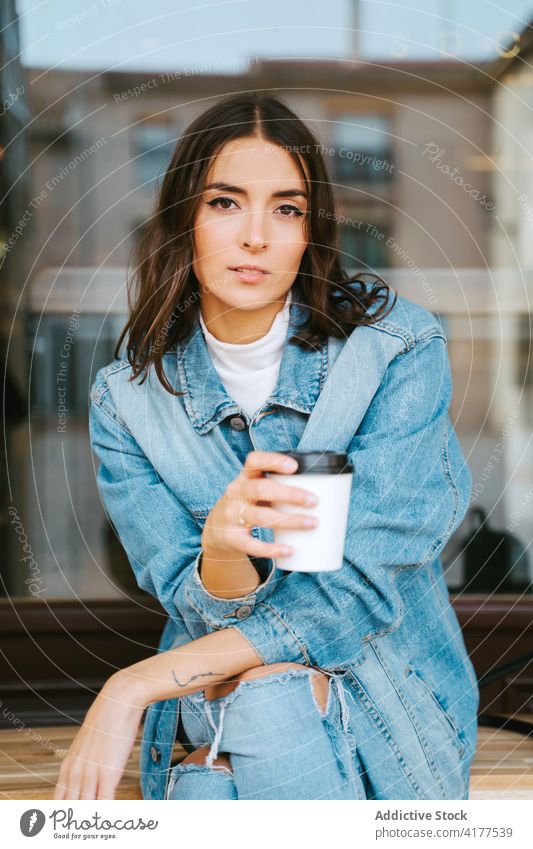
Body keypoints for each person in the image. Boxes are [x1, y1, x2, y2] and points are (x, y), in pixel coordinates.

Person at [54, 92, 479, 801]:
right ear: (181, 219)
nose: (255, 235)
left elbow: (355, 599)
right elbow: (191, 601)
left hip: (391, 705)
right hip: (217, 694)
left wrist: (132, 684)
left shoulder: (395, 352)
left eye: (285, 208)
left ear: (310, 231)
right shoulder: (126, 401)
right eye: (224, 202)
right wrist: (221, 551)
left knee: (224, 766)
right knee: (251, 711)